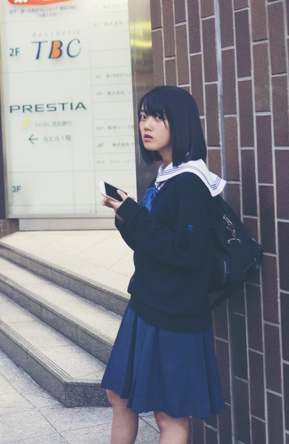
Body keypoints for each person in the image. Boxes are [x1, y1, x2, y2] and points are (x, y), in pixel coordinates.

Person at [101, 86, 226, 444]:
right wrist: (126, 216)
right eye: (143, 116)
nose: (147, 124)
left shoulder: (192, 183)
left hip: (175, 314)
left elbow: (187, 253)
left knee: (169, 414)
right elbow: (152, 242)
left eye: (158, 116)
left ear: (180, 122)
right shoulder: (167, 174)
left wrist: (135, 215)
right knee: (119, 397)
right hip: (146, 303)